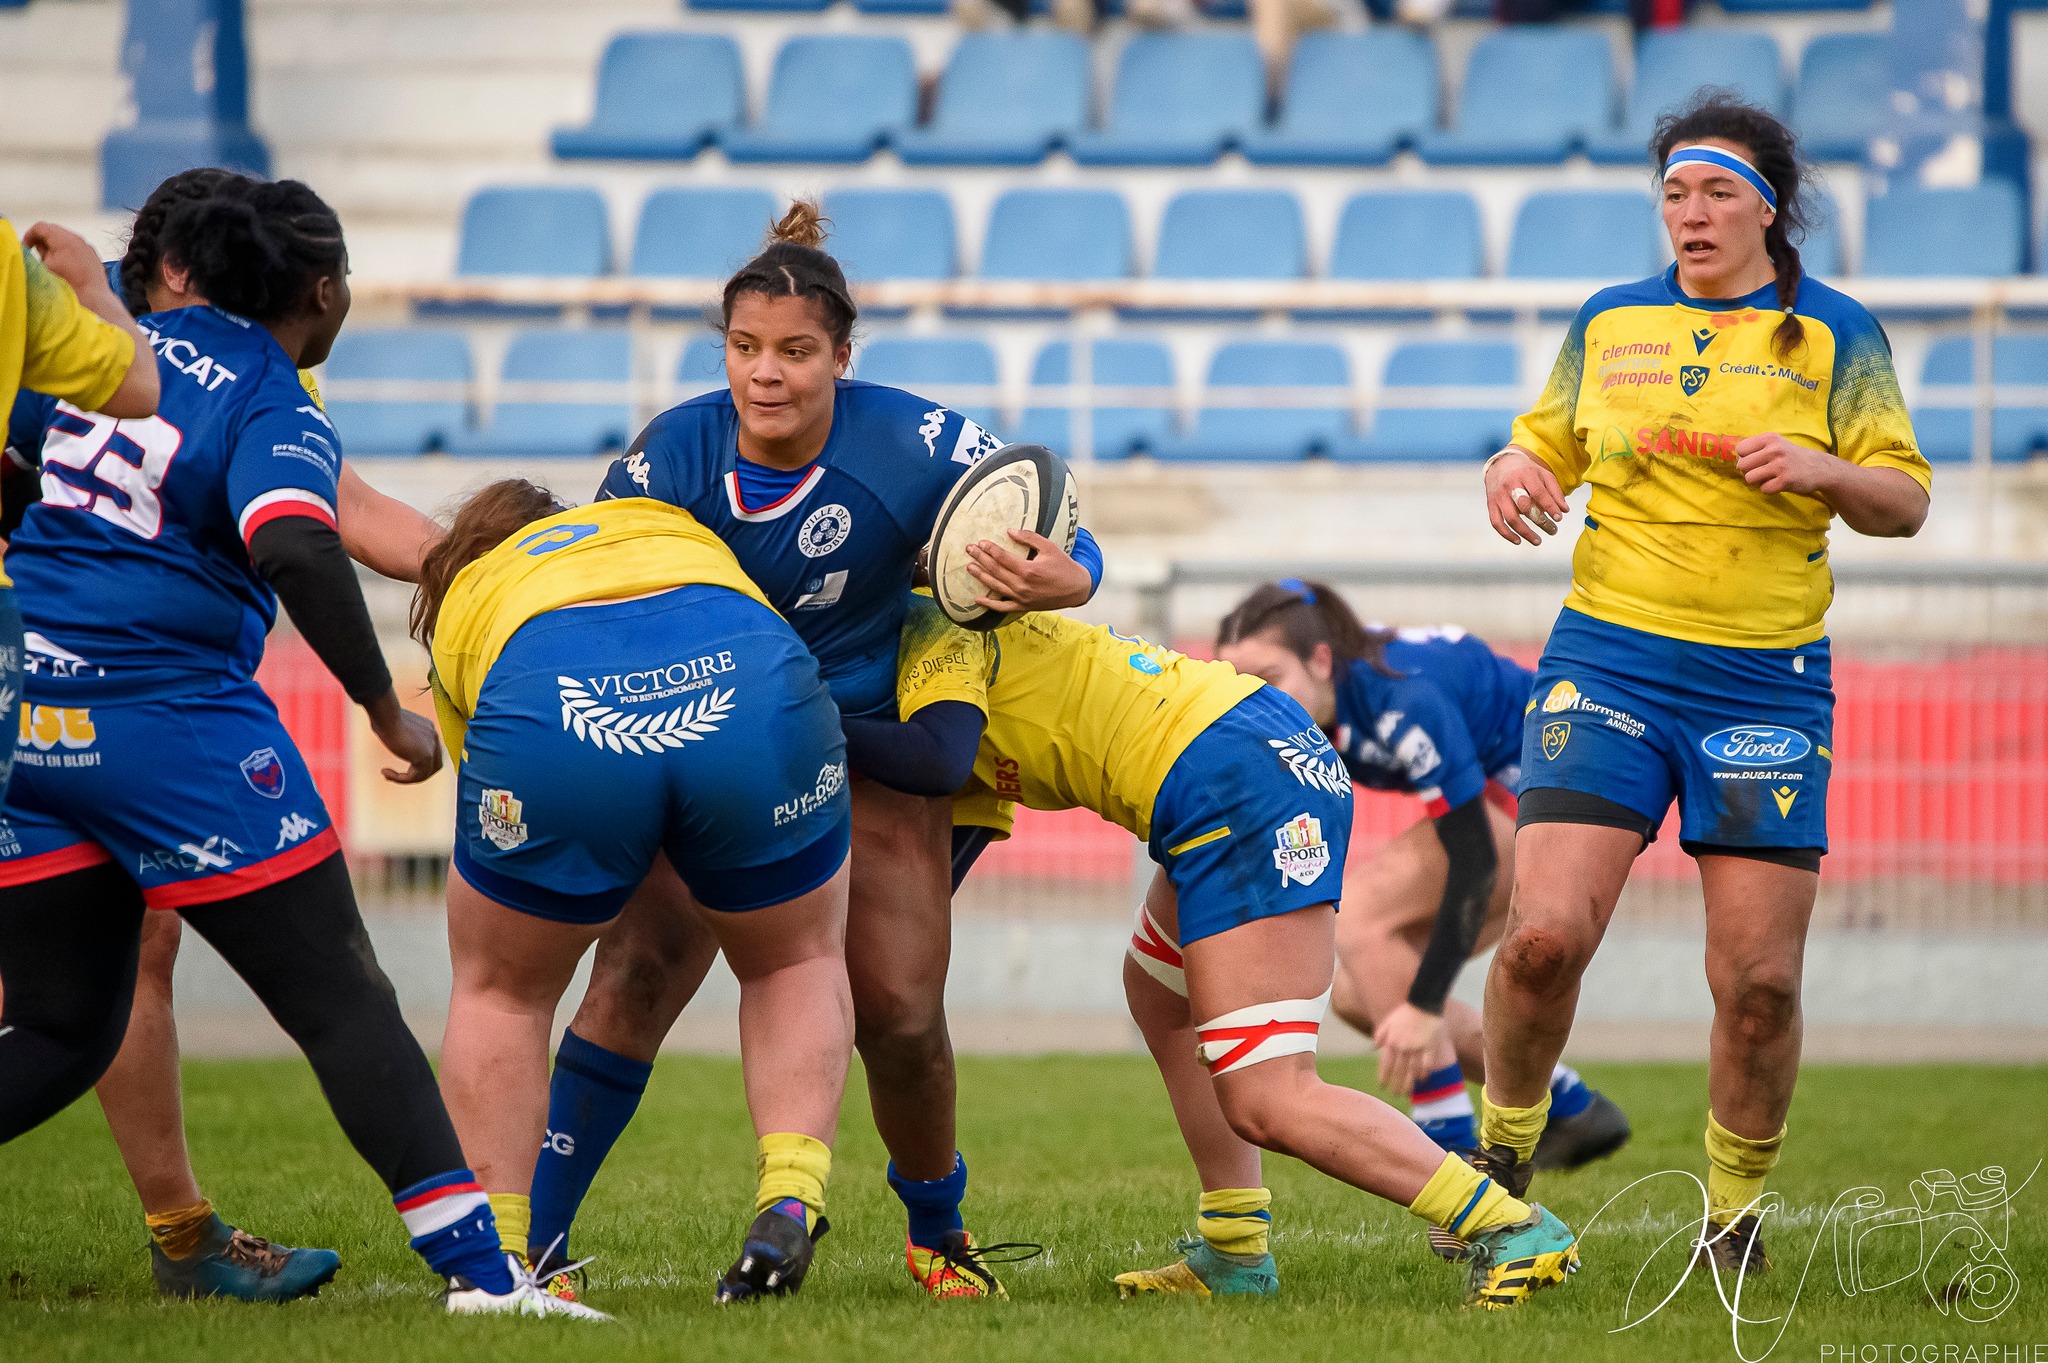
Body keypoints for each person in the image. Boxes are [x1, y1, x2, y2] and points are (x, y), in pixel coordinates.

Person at [0, 178, 585, 1318]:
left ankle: (193, 1238)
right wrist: (382, 708)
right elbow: (302, 547)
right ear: (323, 290)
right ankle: (482, 1277)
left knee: (61, 1026)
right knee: (342, 999)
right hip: (170, 728)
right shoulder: (269, 392)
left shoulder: (90, 355)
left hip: (31, 723)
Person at [520, 202, 1102, 1301]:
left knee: (900, 1013)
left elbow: (1059, 527)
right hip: (709, 751)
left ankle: (938, 1235)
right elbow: (589, 594)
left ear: (841, 355)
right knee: (637, 973)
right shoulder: (667, 455)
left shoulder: (912, 442)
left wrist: (1073, 577)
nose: (766, 375)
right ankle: (533, 1241)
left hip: (860, 751)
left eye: (794, 352)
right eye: (745, 349)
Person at [1476, 93, 1931, 1274]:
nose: (1689, 212)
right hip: (1607, 658)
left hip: (1762, 688)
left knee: (1760, 984)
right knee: (1538, 942)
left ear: (1769, 211)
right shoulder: (1609, 321)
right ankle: (1500, 1166)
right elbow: (1545, 441)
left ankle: (1730, 1219)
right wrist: (1509, 466)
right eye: (1673, 192)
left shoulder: (1833, 335)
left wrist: (1828, 469)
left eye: (1715, 191)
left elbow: (1904, 501)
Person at [849, 590, 1582, 1309]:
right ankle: (1234, 1247)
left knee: (1270, 1096)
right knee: (1159, 992)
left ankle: (1509, 1225)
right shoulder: (930, 634)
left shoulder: (919, 637)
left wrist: (823, 724)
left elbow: (939, 761)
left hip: (1230, 778)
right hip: (1234, 751)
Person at [412, 480, 857, 1306]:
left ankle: (499, 1263)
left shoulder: (477, 590)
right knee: (794, 958)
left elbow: (530, 822)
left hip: (555, 692)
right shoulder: (657, 524)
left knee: (503, 989)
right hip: (751, 666)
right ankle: (790, 1194)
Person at [1213, 578, 1630, 1202]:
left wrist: (1427, 1006)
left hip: (1553, 806)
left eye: (1267, 679)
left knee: (1364, 928)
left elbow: (1475, 859)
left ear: (1322, 660)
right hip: (1510, 811)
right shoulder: (1322, 703)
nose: (1253, 702)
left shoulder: (1399, 699)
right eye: (1236, 686)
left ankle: (1456, 1164)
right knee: (1363, 991)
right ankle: (1569, 1106)